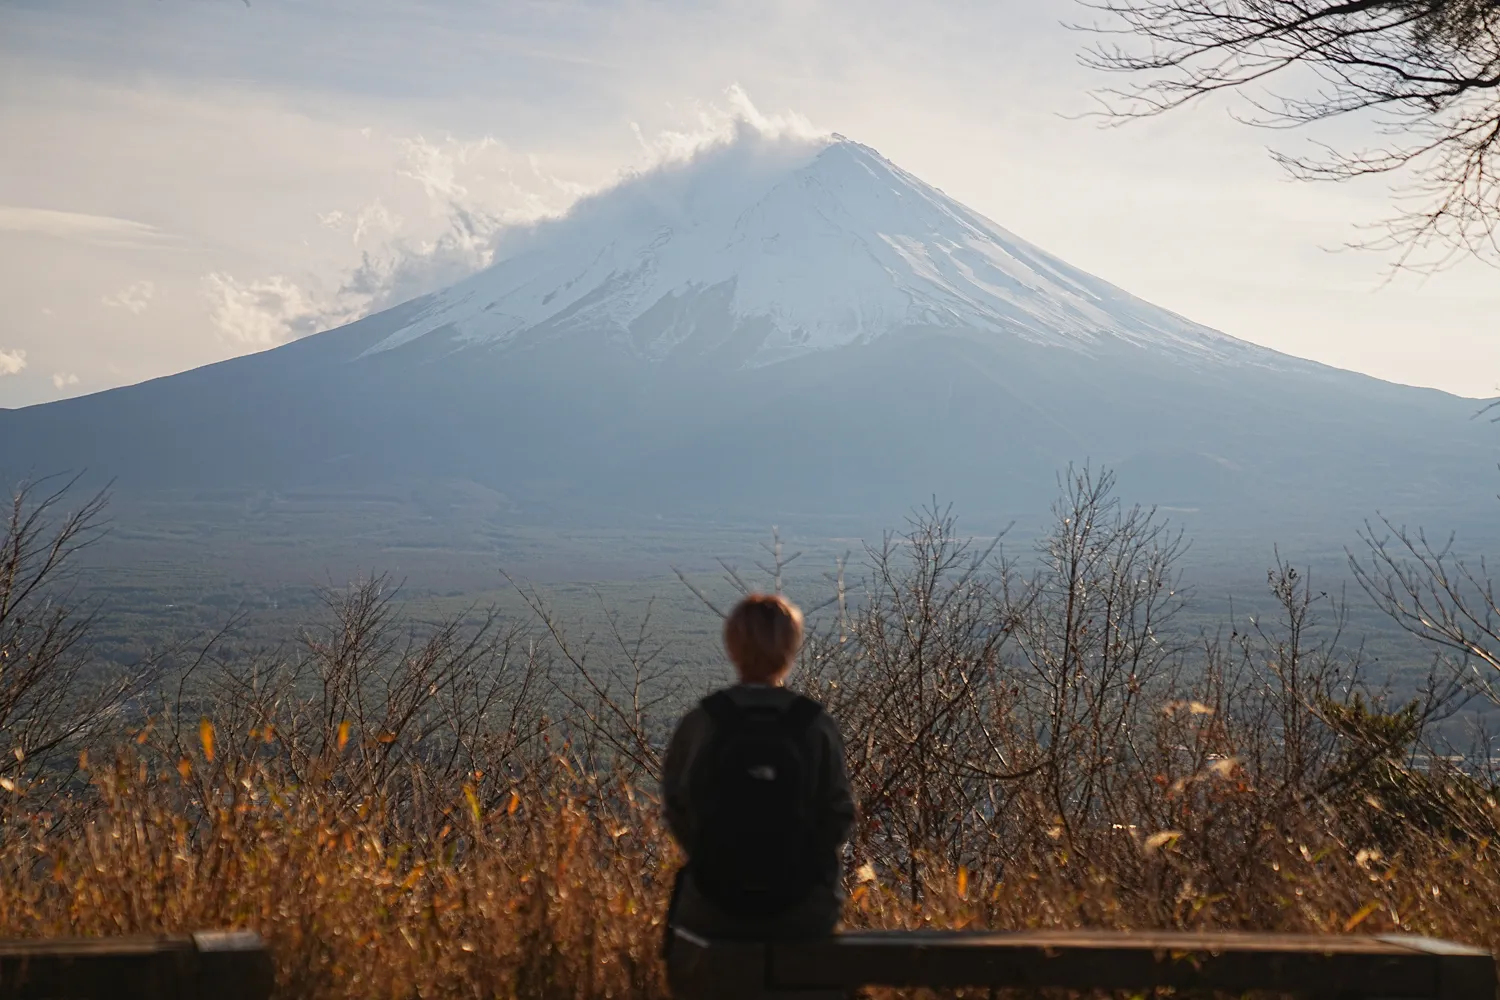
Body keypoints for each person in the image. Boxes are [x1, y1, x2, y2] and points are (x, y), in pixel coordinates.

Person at [660, 593, 855, 951]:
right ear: (792, 647)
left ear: (732, 646)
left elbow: (677, 806)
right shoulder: (814, 724)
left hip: (712, 908)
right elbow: (839, 814)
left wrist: (713, 858)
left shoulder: (704, 720)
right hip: (803, 914)